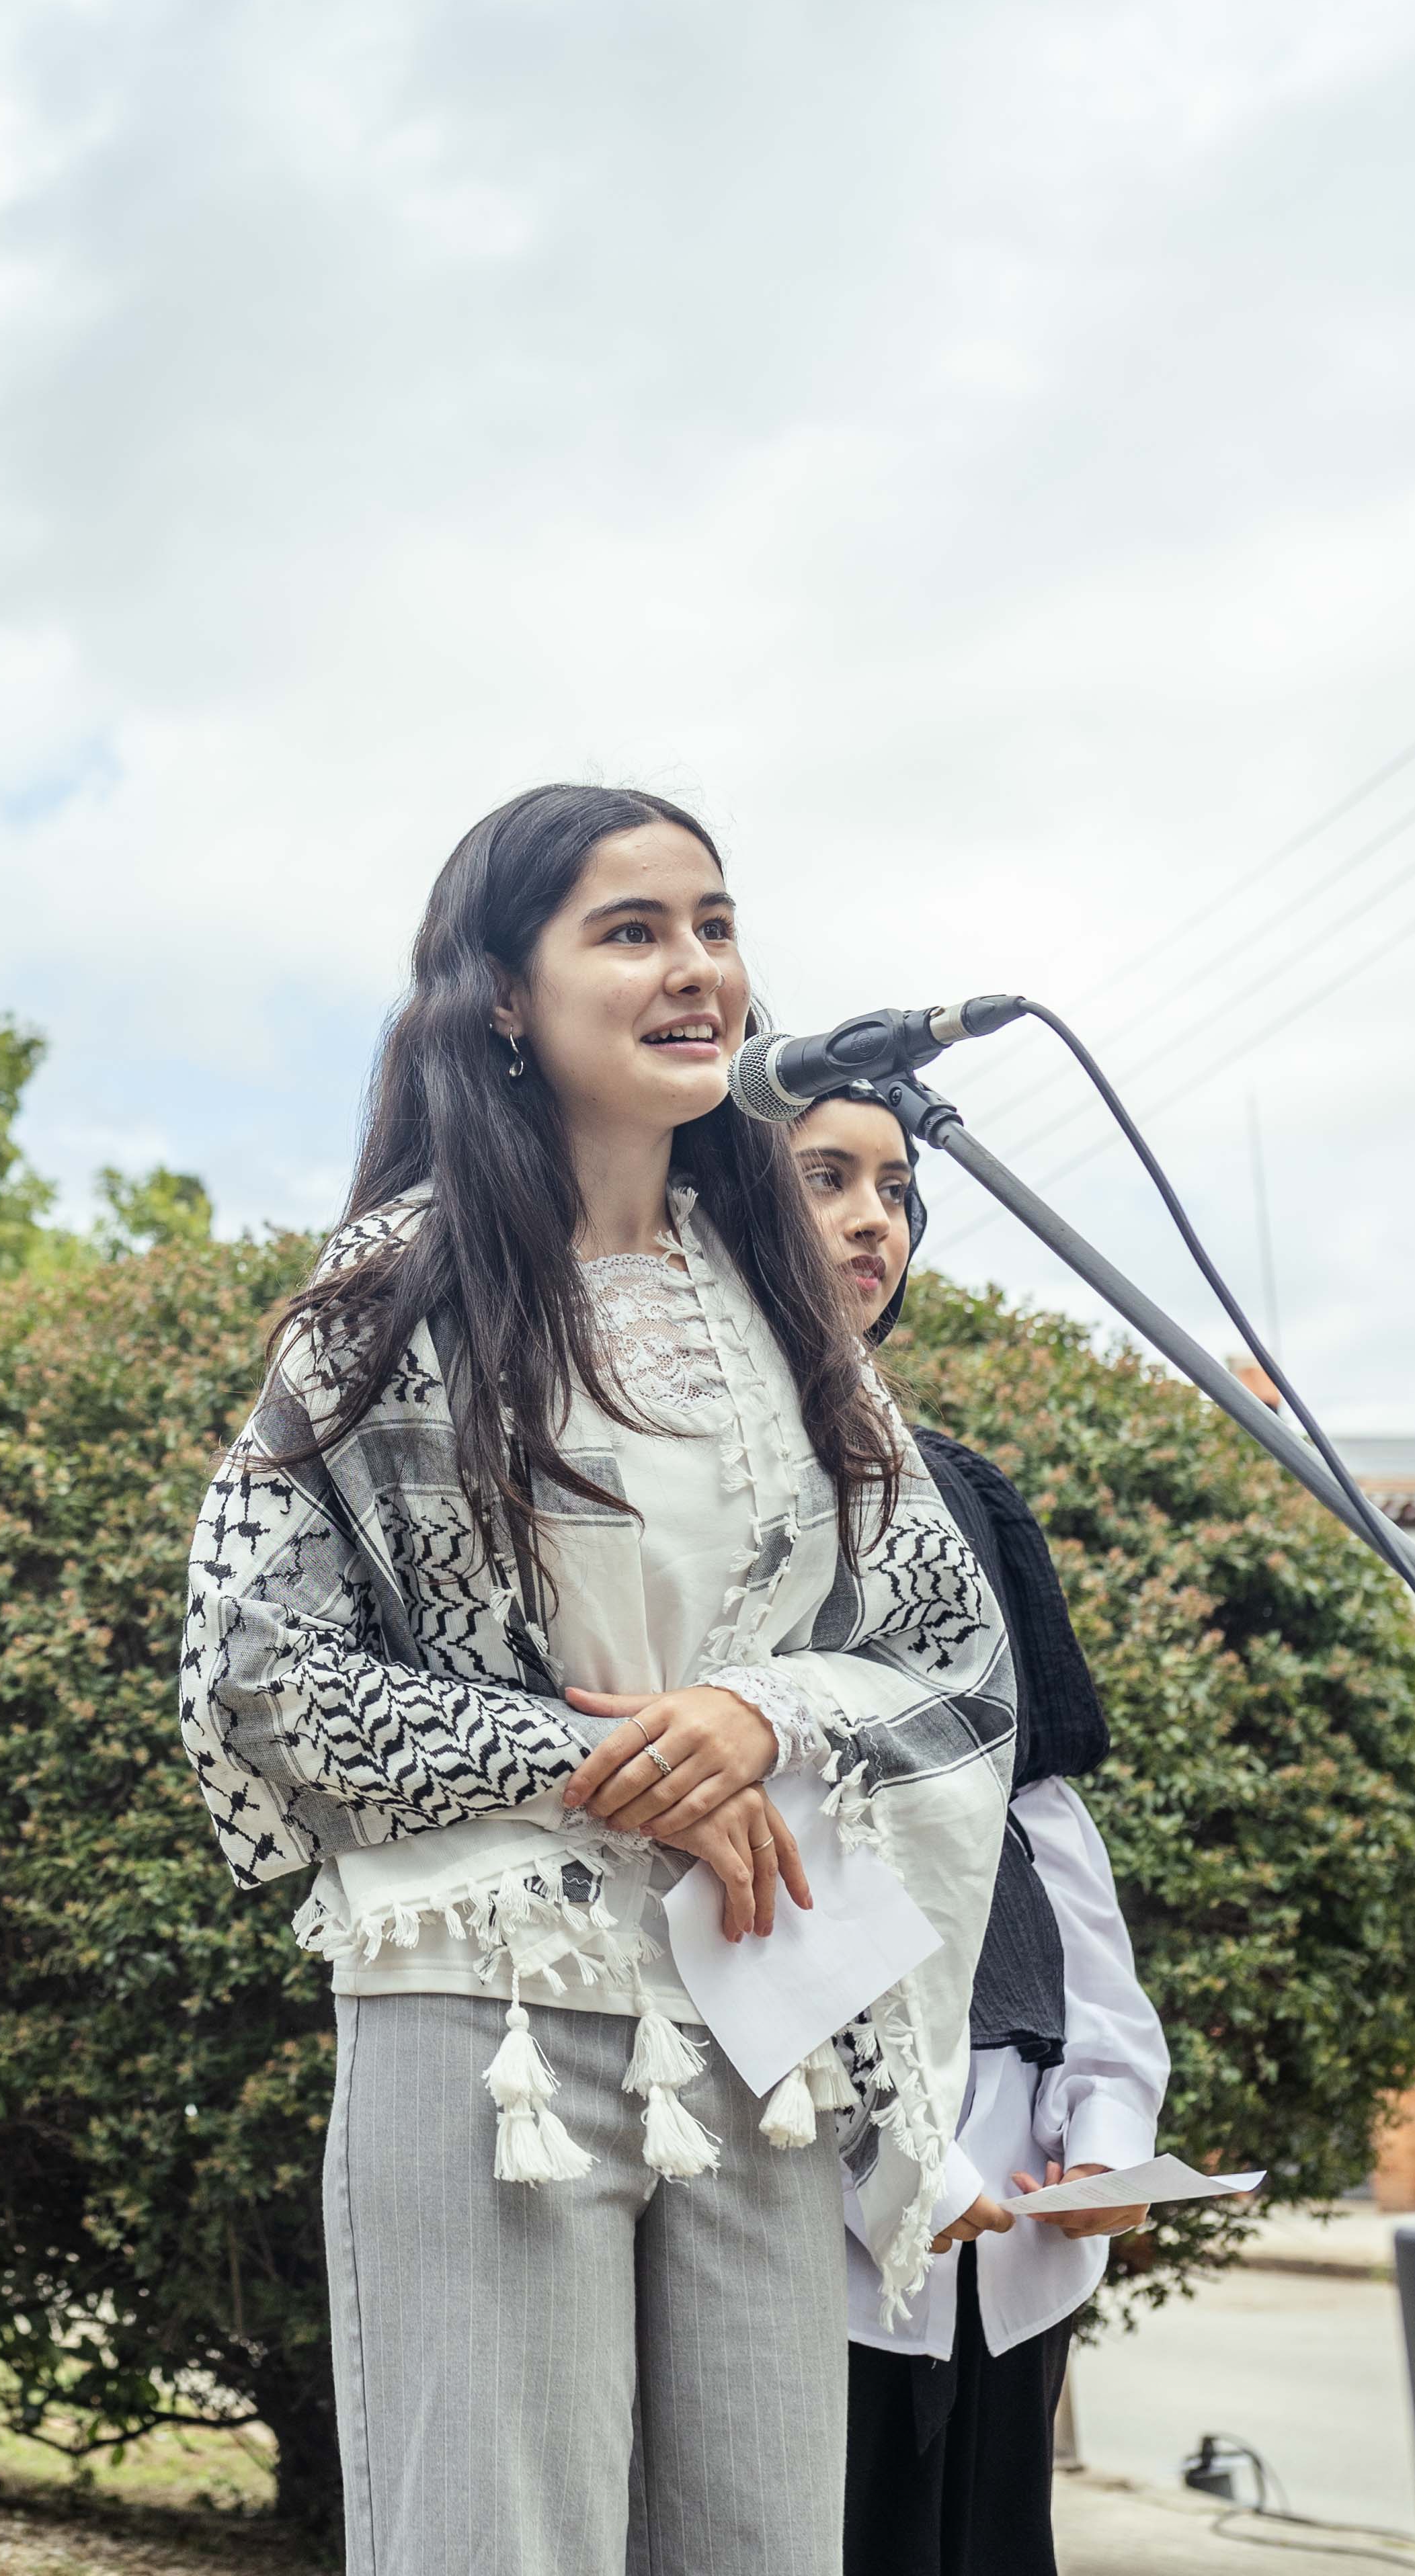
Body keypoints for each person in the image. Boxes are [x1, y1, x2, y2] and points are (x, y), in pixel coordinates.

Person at [177, 784, 1022, 2576]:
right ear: (503, 994)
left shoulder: (791, 1313)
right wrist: (594, 1756)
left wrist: (757, 1718)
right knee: (500, 2539)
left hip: (761, 1993)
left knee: (761, 2544)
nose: (694, 967)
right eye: (630, 931)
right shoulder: (388, 1296)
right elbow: (259, 1679)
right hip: (486, 1993)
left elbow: (948, 1664)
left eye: (713, 925)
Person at [792, 1089, 1168, 2576]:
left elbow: (1041, 1810)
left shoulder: (960, 1485)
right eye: (826, 1178)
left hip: (1017, 2198)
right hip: (805, 2176)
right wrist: (897, 2147)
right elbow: (736, 1835)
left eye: (895, 1185)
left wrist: (1115, 2105)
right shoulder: (685, 1481)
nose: (874, 1215)